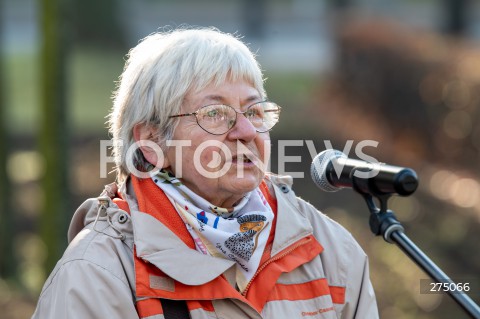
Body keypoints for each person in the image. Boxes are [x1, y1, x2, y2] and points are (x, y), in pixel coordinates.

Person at [32, 27, 379, 318]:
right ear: (152, 142)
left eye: (255, 111)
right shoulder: (97, 274)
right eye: (214, 113)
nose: (245, 130)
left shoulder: (330, 251)